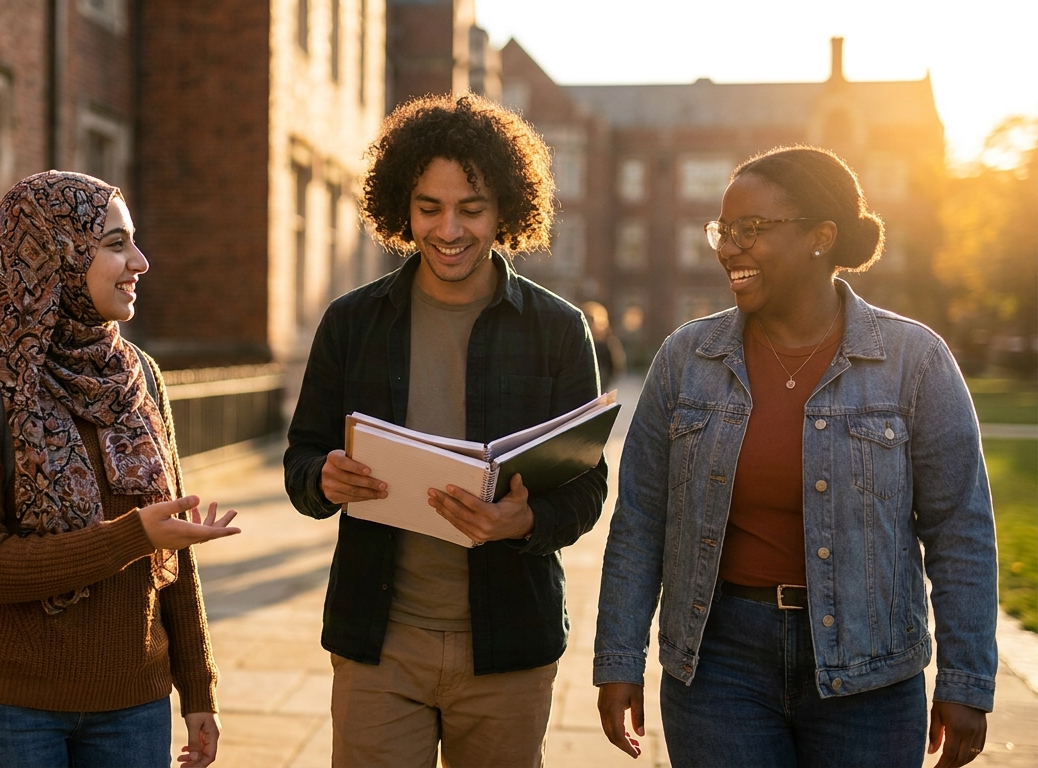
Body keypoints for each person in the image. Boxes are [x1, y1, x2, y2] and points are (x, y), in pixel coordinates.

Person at [593, 146, 996, 768]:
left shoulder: (914, 362)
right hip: (719, 664)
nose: (728, 248)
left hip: (871, 672)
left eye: (750, 230)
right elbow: (641, 519)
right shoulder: (686, 359)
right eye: (722, 231)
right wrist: (619, 658)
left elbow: (959, 530)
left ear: (821, 237)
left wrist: (966, 680)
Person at [284, 94, 608, 767]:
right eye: (430, 208)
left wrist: (521, 522)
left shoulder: (557, 329)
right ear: (402, 207)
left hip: (508, 646)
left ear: (506, 210)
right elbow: (300, 461)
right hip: (379, 643)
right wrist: (324, 477)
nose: (449, 229)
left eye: (472, 208)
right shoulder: (352, 322)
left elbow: (586, 489)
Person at [0, 171, 240, 768]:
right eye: (115, 244)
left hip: (133, 707)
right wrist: (132, 536)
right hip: (4, 709)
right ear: (56, 256)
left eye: (133, 241)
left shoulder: (137, 374)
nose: (140, 261)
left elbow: (173, 548)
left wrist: (198, 689)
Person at [581, 301, 626, 392]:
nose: (589, 324)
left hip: (602, 384)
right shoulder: (578, 342)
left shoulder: (608, 343)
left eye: (591, 320)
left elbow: (617, 366)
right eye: (587, 319)